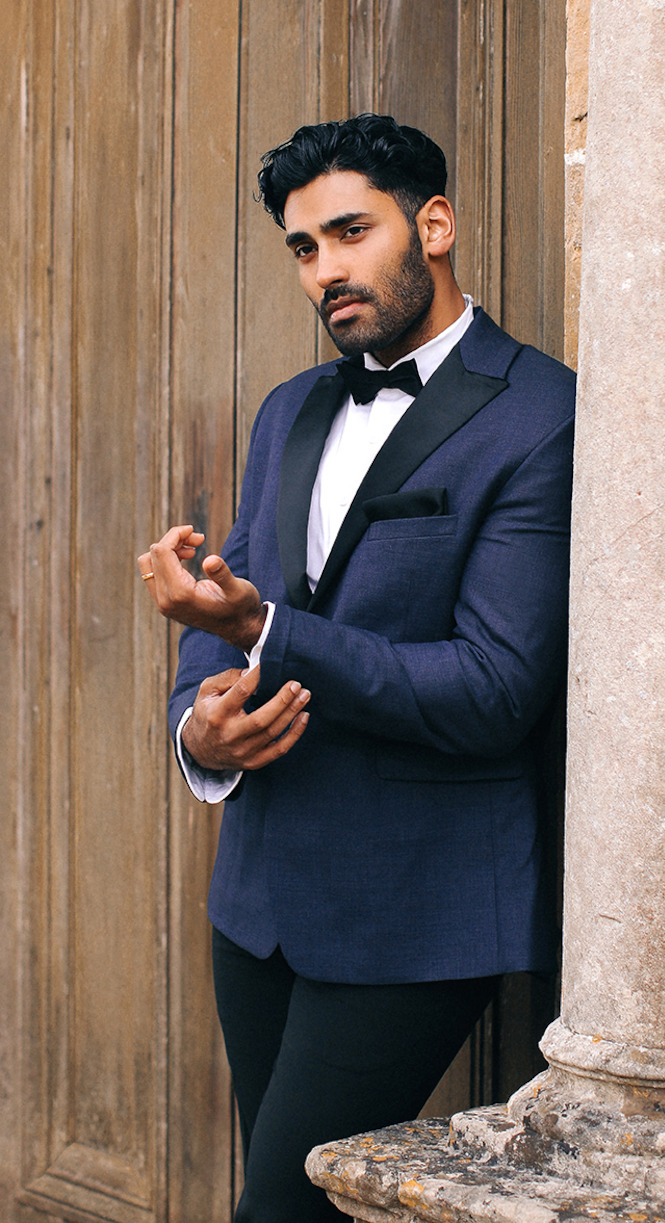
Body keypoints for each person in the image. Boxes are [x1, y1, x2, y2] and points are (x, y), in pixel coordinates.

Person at [138, 113, 575, 1223]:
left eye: (347, 232)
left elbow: (490, 690)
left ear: (432, 224)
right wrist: (199, 724)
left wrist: (268, 631)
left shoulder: (543, 414)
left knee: (276, 1212)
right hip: (258, 901)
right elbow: (227, 604)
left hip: (420, 908)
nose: (323, 269)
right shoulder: (291, 407)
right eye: (301, 247)